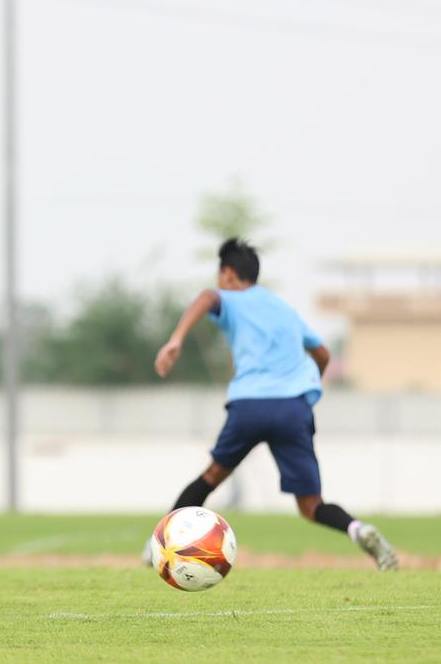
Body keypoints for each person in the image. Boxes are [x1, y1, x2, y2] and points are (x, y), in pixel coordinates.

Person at [149, 238, 396, 570]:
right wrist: (307, 385)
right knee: (311, 505)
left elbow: (207, 298)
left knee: (211, 476)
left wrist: (175, 339)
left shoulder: (231, 297)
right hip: (294, 408)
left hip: (250, 405)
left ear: (228, 273)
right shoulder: (285, 309)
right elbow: (322, 353)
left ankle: (161, 547)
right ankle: (359, 529)